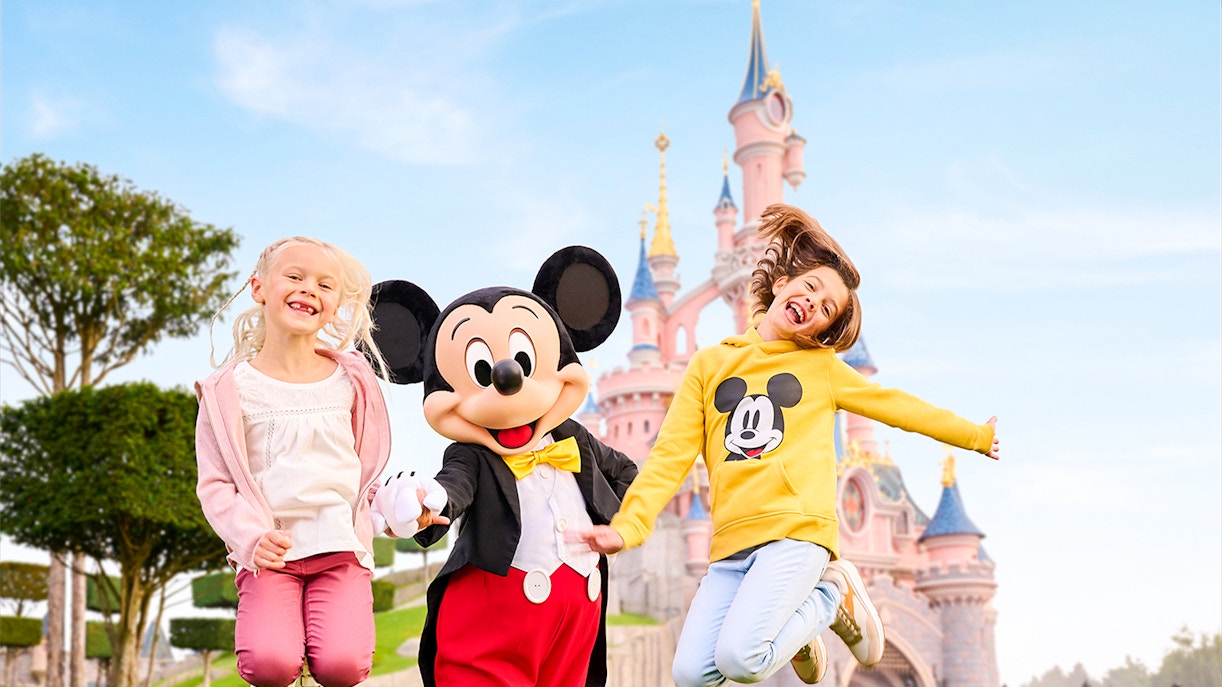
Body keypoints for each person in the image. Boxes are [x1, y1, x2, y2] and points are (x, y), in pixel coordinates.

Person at [571, 203, 1001, 686]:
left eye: (826, 310)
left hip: (797, 538)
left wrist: (975, 435)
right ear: (780, 283)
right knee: (691, 674)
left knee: (742, 659)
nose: (813, 304)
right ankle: (802, 626)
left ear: (822, 331)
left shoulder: (820, 369)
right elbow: (669, 457)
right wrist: (628, 527)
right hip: (730, 548)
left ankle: (829, 597)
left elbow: (898, 406)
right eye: (812, 287)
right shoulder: (710, 366)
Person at [194, 236, 394, 687]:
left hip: (341, 550)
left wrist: (395, 508)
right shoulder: (228, 390)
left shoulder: (352, 380)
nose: (309, 289)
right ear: (258, 288)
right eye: (295, 276)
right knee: (270, 663)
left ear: (335, 305)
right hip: (271, 558)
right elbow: (216, 484)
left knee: (343, 665)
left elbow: (362, 470)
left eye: (325, 285)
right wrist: (250, 539)